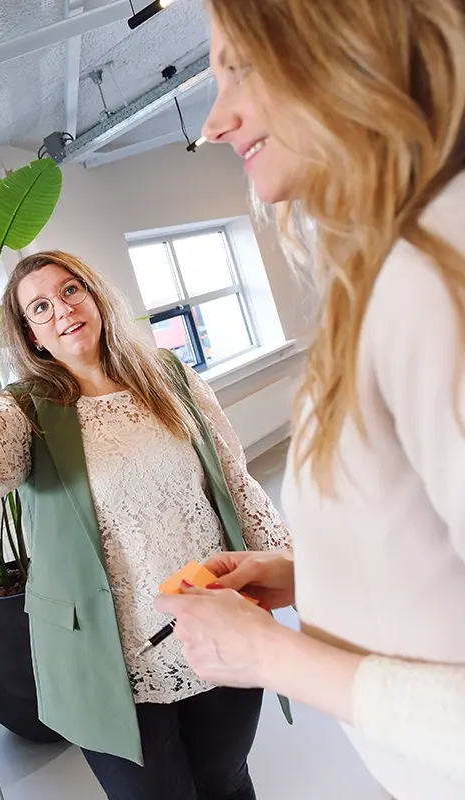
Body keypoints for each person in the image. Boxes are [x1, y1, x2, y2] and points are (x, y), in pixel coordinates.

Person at [0, 250, 291, 800]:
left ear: (94, 297)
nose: (62, 310)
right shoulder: (27, 411)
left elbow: (235, 480)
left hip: (213, 620)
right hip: (110, 655)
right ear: (31, 337)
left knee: (226, 779)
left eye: (70, 291)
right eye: (39, 308)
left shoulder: (170, 377)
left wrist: (286, 567)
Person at [154, 2, 465, 799]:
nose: (214, 122)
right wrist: (301, 576)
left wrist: (268, 657)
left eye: (241, 67)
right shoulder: (390, 269)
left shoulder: (435, 275)